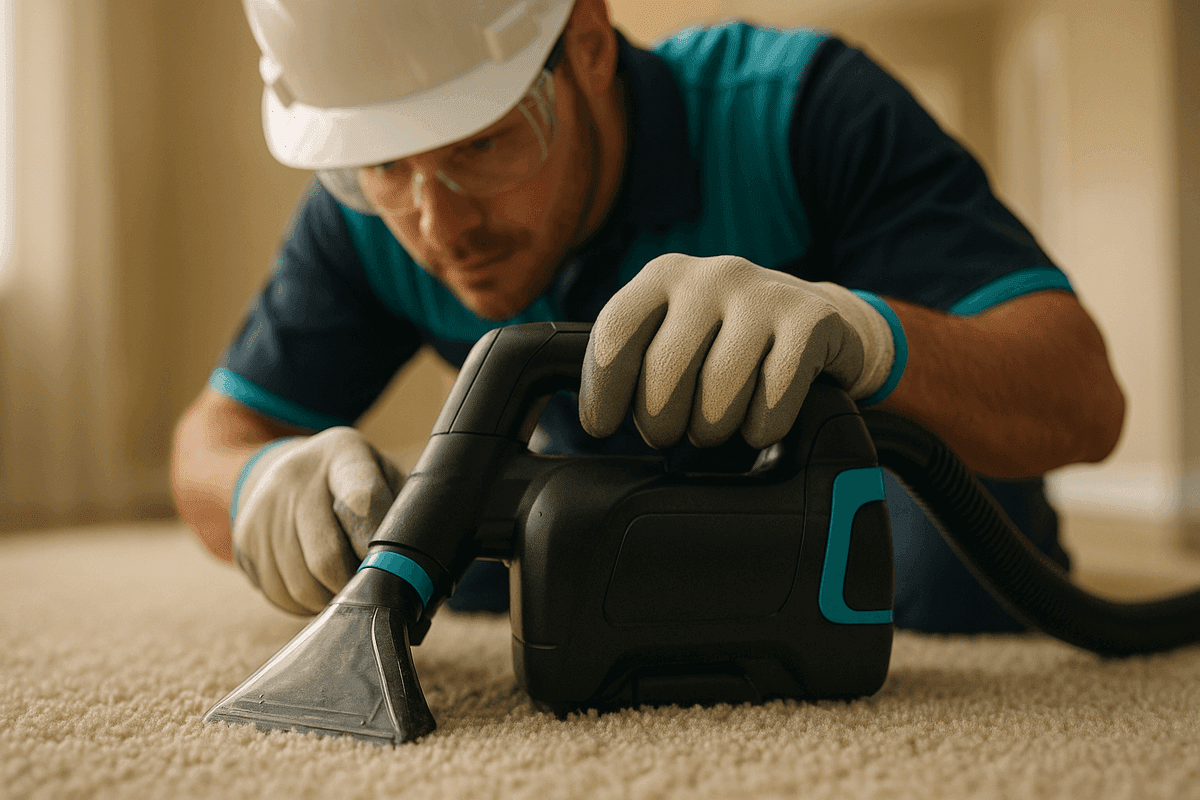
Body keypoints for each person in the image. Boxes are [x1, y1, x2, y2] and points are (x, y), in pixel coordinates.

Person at [170, 0, 1125, 632]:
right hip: (615, 470)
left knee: (937, 585)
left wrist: (860, 335)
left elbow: (1082, 395)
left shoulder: (797, 110)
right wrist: (258, 486)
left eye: (486, 142)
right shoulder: (370, 211)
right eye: (383, 166)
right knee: (457, 563)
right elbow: (209, 440)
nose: (440, 221)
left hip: (871, 481)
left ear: (586, 44)